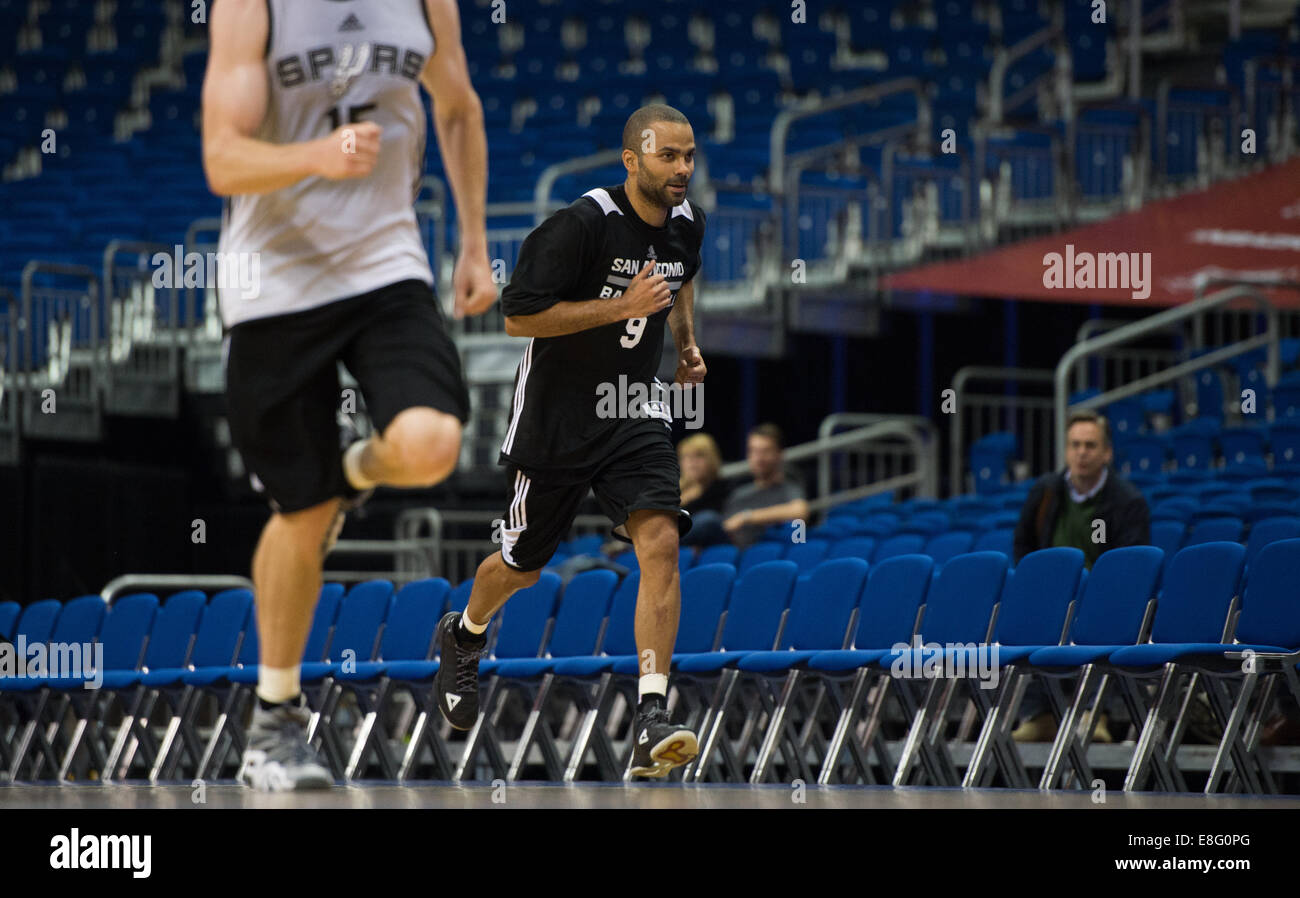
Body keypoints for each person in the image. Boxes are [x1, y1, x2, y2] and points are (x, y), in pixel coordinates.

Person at [203, 0, 495, 790]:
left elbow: (459, 107)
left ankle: (353, 475)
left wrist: (473, 243)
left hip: (385, 265)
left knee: (434, 442)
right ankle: (273, 720)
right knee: (298, 513)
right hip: (275, 280)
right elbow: (223, 159)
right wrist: (316, 155)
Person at [433, 105, 708, 777]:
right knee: (521, 568)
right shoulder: (580, 225)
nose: (682, 169)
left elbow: (680, 280)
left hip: (633, 409)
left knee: (662, 539)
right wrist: (621, 306)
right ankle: (464, 635)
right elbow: (516, 316)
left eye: (690, 156)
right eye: (669, 157)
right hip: (555, 418)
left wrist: (686, 346)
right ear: (632, 160)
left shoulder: (688, 223)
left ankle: (651, 713)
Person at [1010, 410, 1151, 742]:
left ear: (1107, 453)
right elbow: (1023, 542)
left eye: (1090, 445)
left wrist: (1097, 589)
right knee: (1027, 615)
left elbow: (1130, 564)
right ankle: (1040, 714)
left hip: (1103, 595)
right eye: (1075, 445)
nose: (1082, 452)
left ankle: (1094, 712)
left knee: (1107, 618)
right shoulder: (1046, 491)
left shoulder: (1127, 501)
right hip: (1053, 594)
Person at [722, 424, 810, 548]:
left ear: (780, 454)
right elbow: (725, 530)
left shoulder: (789, 488)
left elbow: (800, 511)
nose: (759, 458)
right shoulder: (738, 495)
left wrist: (746, 517)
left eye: (765, 451)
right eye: (753, 451)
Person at [678, 433, 729, 546]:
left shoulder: (723, 487)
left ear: (712, 459)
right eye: (686, 457)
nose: (692, 462)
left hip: (713, 542)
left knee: (707, 519)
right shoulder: (675, 491)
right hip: (681, 543)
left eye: (699, 456)